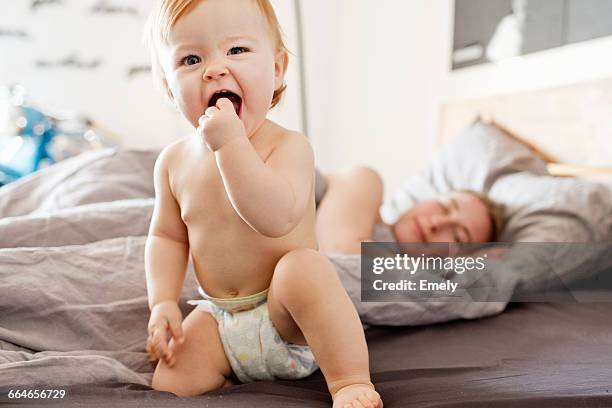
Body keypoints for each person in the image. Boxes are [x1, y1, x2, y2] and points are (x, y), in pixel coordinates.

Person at [142, 1, 382, 407]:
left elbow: (275, 218)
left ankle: (349, 381)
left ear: (276, 69)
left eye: (236, 50)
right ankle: (223, 376)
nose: (214, 69)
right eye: (191, 58)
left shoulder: (289, 146)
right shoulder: (172, 163)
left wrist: (231, 146)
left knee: (304, 269)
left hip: (288, 317)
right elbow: (165, 236)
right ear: (169, 86)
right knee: (168, 384)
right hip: (221, 317)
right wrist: (163, 300)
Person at [316, 167, 506, 254]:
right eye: (444, 207)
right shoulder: (368, 183)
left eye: (458, 237)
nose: (436, 223)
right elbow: (338, 254)